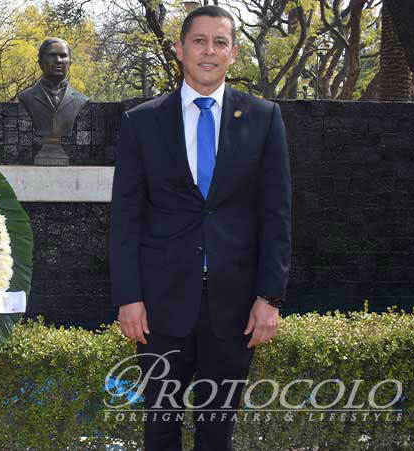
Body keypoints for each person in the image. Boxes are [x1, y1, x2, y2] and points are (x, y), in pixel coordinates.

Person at [108, 5, 291, 451]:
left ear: (233, 53)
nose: (209, 51)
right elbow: (125, 217)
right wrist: (128, 297)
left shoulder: (264, 118)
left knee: (217, 430)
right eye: (199, 41)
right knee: (161, 427)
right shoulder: (141, 122)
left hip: (235, 304)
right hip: (159, 304)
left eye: (220, 42)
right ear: (179, 49)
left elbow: (277, 214)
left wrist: (269, 297)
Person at [17, 38, 89, 159]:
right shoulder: (26, 97)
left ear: (70, 63)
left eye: (63, 56)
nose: (58, 61)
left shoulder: (80, 100)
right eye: (52, 55)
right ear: (40, 62)